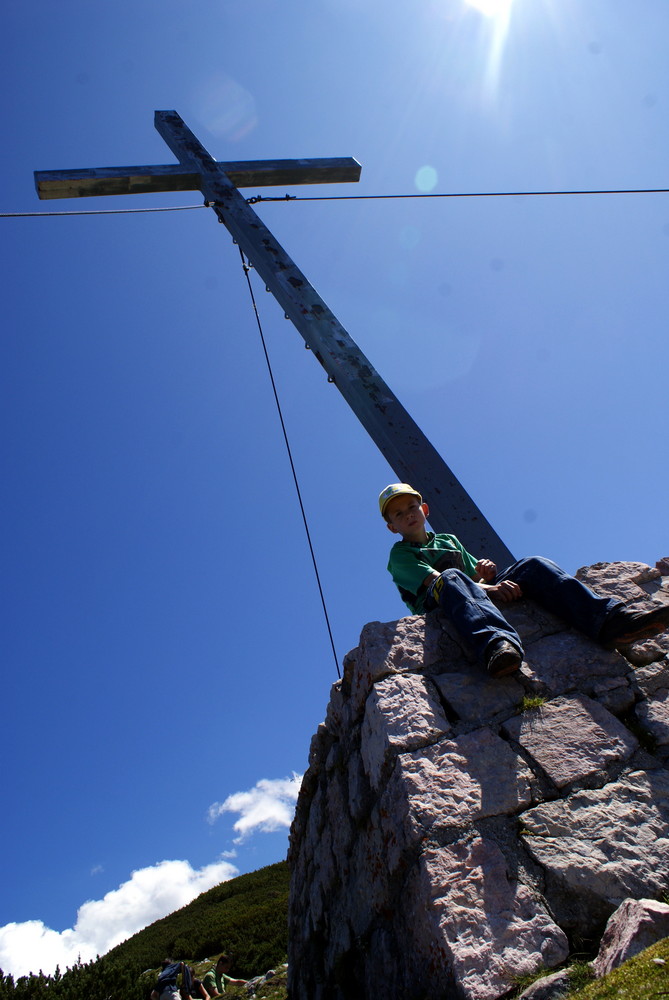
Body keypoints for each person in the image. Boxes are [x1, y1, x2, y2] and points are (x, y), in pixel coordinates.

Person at [379, 483, 669, 679]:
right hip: (442, 606)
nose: (408, 515)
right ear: (393, 527)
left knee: (532, 564)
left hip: (477, 592)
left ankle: (610, 622)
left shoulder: (448, 540)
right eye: (399, 514)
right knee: (451, 577)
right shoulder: (400, 555)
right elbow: (440, 582)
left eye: (412, 507)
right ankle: (496, 645)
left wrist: (487, 574)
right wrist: (489, 587)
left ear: (424, 509)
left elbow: (473, 576)